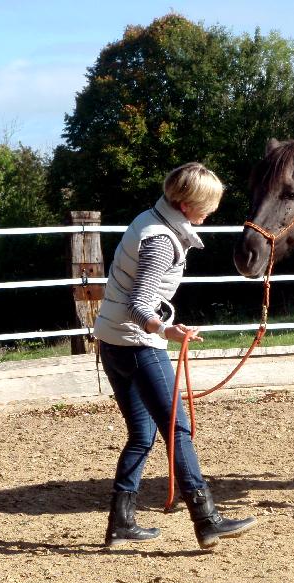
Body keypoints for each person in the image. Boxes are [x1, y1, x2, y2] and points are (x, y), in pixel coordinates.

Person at [94, 162, 256, 550]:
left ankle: (121, 523)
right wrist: (165, 330)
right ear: (185, 204)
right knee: (175, 429)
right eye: (206, 206)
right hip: (136, 343)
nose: (210, 213)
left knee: (143, 433)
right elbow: (139, 303)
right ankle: (206, 518)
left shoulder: (149, 220)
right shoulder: (161, 240)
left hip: (112, 339)